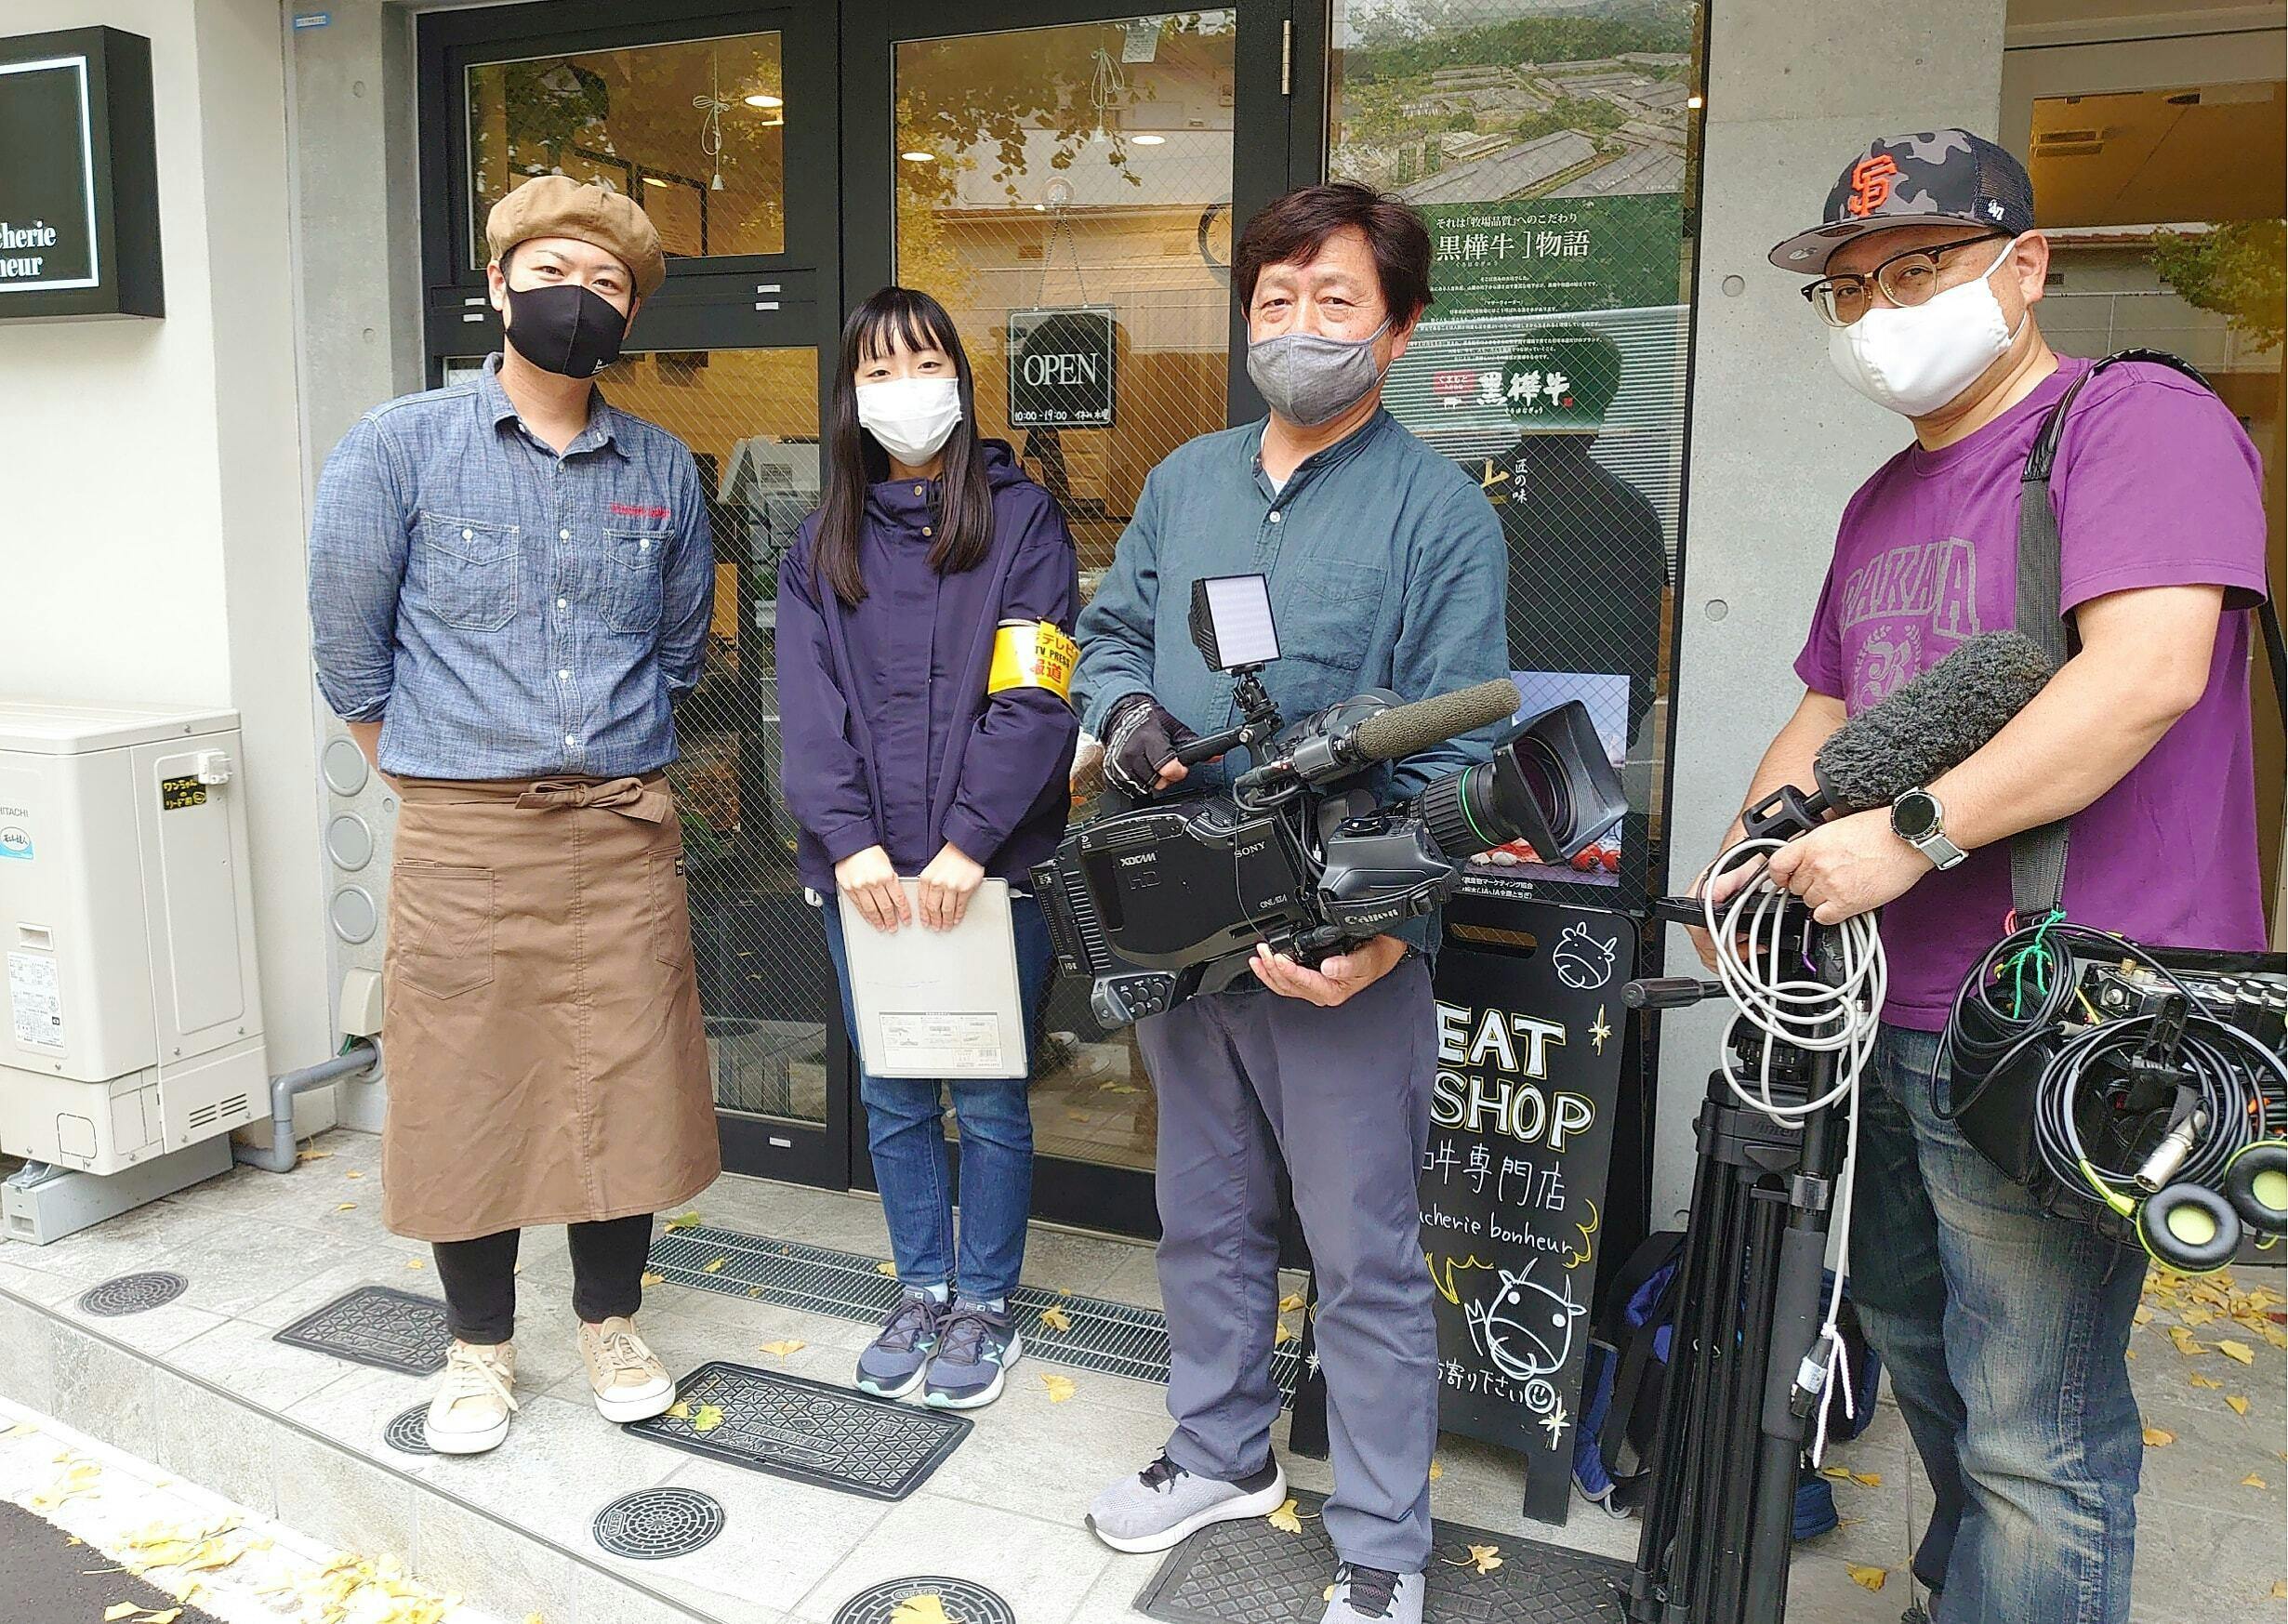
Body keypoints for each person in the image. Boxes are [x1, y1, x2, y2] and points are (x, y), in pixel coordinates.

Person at [1696, 130, 2270, 1623]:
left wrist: (1908, 833)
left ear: (2024, 267)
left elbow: (2144, 673)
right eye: (1850, 287)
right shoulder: (1883, 495)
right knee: (1919, 1344)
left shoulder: (2132, 421)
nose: (1877, 309)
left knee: (2034, 1420)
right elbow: (1831, 705)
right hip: (1892, 1010)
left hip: (2059, 1014)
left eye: (1917, 270)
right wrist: (1745, 854)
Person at [1073, 182, 1508, 1624]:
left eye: (1335, 299)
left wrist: (1384, 926)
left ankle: (1382, 1538)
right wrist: (1124, 710)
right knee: (1202, 1212)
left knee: (1362, 1250)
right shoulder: (1185, 480)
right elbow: (1110, 631)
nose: (1299, 325)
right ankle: (1219, 1449)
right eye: (1275, 299)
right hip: (1178, 905)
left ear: (1399, 327)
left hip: (1337, 935)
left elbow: (1455, 749)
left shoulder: (1440, 512)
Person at [307, 175, 720, 1456]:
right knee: (465, 1088)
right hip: (467, 834)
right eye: (551, 272)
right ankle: (477, 1344)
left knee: (627, 1080)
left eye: (606, 283)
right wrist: (438, 778)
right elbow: (349, 654)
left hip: (623, 826)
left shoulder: (661, 466)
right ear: (497, 285)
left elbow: (680, 651)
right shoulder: (399, 445)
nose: (575, 299)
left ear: (631, 313)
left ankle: (610, 1321)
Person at [777, 286, 1080, 1410]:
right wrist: (851, 844)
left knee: (991, 1099)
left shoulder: (1024, 523)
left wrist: (966, 844)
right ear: (849, 396)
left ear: (959, 376)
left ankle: (983, 1304)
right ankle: (920, 1287)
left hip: (989, 876)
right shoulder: (821, 541)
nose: (903, 389)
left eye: (922, 364)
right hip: (861, 881)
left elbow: (1035, 696)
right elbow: (807, 708)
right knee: (895, 1093)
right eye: (877, 371)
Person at [1473, 324, 1668, 747]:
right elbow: (1649, 644)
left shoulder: (1467, 490)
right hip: (1588, 727)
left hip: (1467, 721)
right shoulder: (1630, 510)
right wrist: (1622, 723)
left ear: (1515, 400)